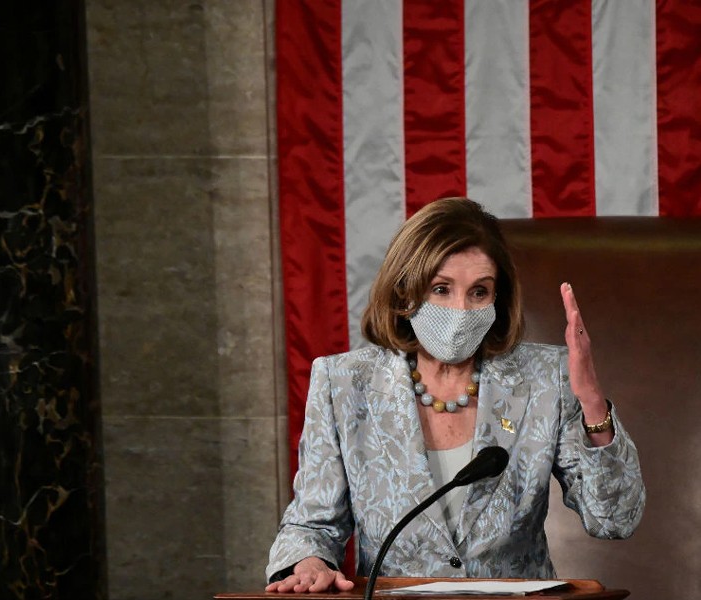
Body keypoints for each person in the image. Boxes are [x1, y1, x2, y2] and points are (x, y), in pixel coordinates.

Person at [266, 198, 645, 593]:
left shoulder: (546, 377)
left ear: (497, 300)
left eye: (479, 292)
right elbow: (311, 524)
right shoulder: (344, 382)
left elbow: (614, 519)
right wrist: (309, 562)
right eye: (441, 289)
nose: (461, 309)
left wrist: (592, 401)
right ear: (404, 292)